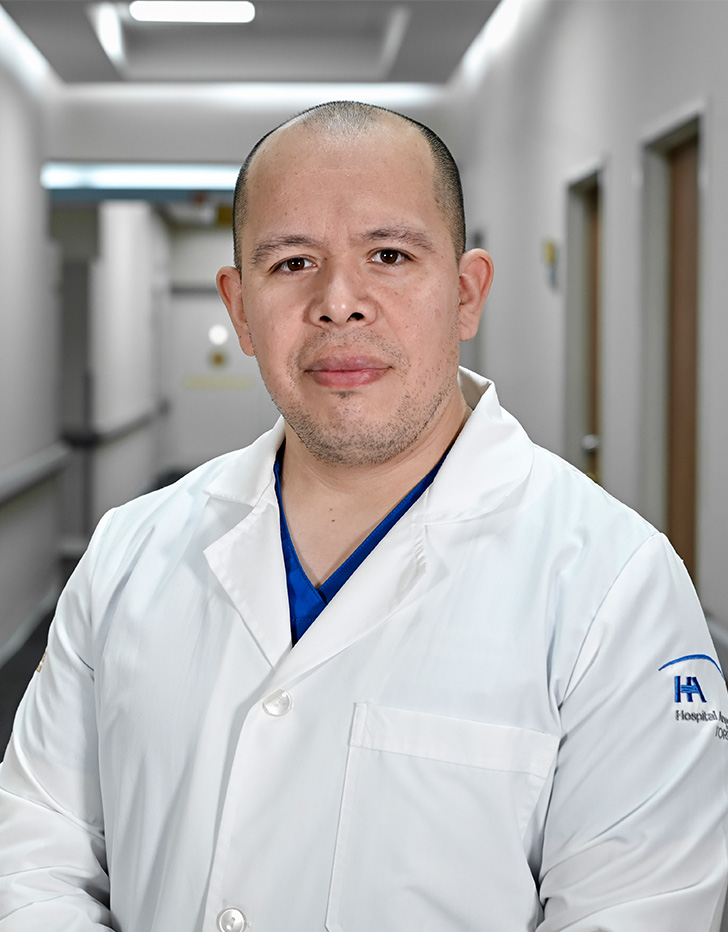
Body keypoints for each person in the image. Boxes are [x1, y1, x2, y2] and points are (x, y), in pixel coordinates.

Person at [0, 101, 726, 932]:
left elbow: (638, 911)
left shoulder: (615, 589)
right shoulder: (130, 551)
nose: (339, 303)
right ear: (239, 309)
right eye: (291, 263)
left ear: (464, 293)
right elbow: (36, 849)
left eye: (389, 255)